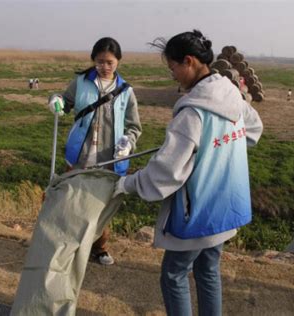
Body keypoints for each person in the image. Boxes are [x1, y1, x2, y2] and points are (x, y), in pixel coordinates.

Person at [114, 30, 263, 315]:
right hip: (226, 205)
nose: (173, 76)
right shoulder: (230, 93)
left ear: (190, 61)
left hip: (198, 210)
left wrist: (128, 184)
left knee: (174, 275)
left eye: (173, 68)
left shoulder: (191, 113)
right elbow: (253, 130)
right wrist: (219, 152)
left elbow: (166, 173)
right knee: (208, 269)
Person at [47, 37, 142, 265]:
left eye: (109, 62)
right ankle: (69, 246)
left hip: (109, 159)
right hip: (80, 155)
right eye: (100, 62)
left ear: (118, 61)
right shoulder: (80, 83)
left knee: (101, 206)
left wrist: (128, 142)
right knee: (72, 201)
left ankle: (99, 247)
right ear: (93, 60)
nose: (104, 67)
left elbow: (134, 126)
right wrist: (55, 101)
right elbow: (65, 102)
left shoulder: (125, 91)